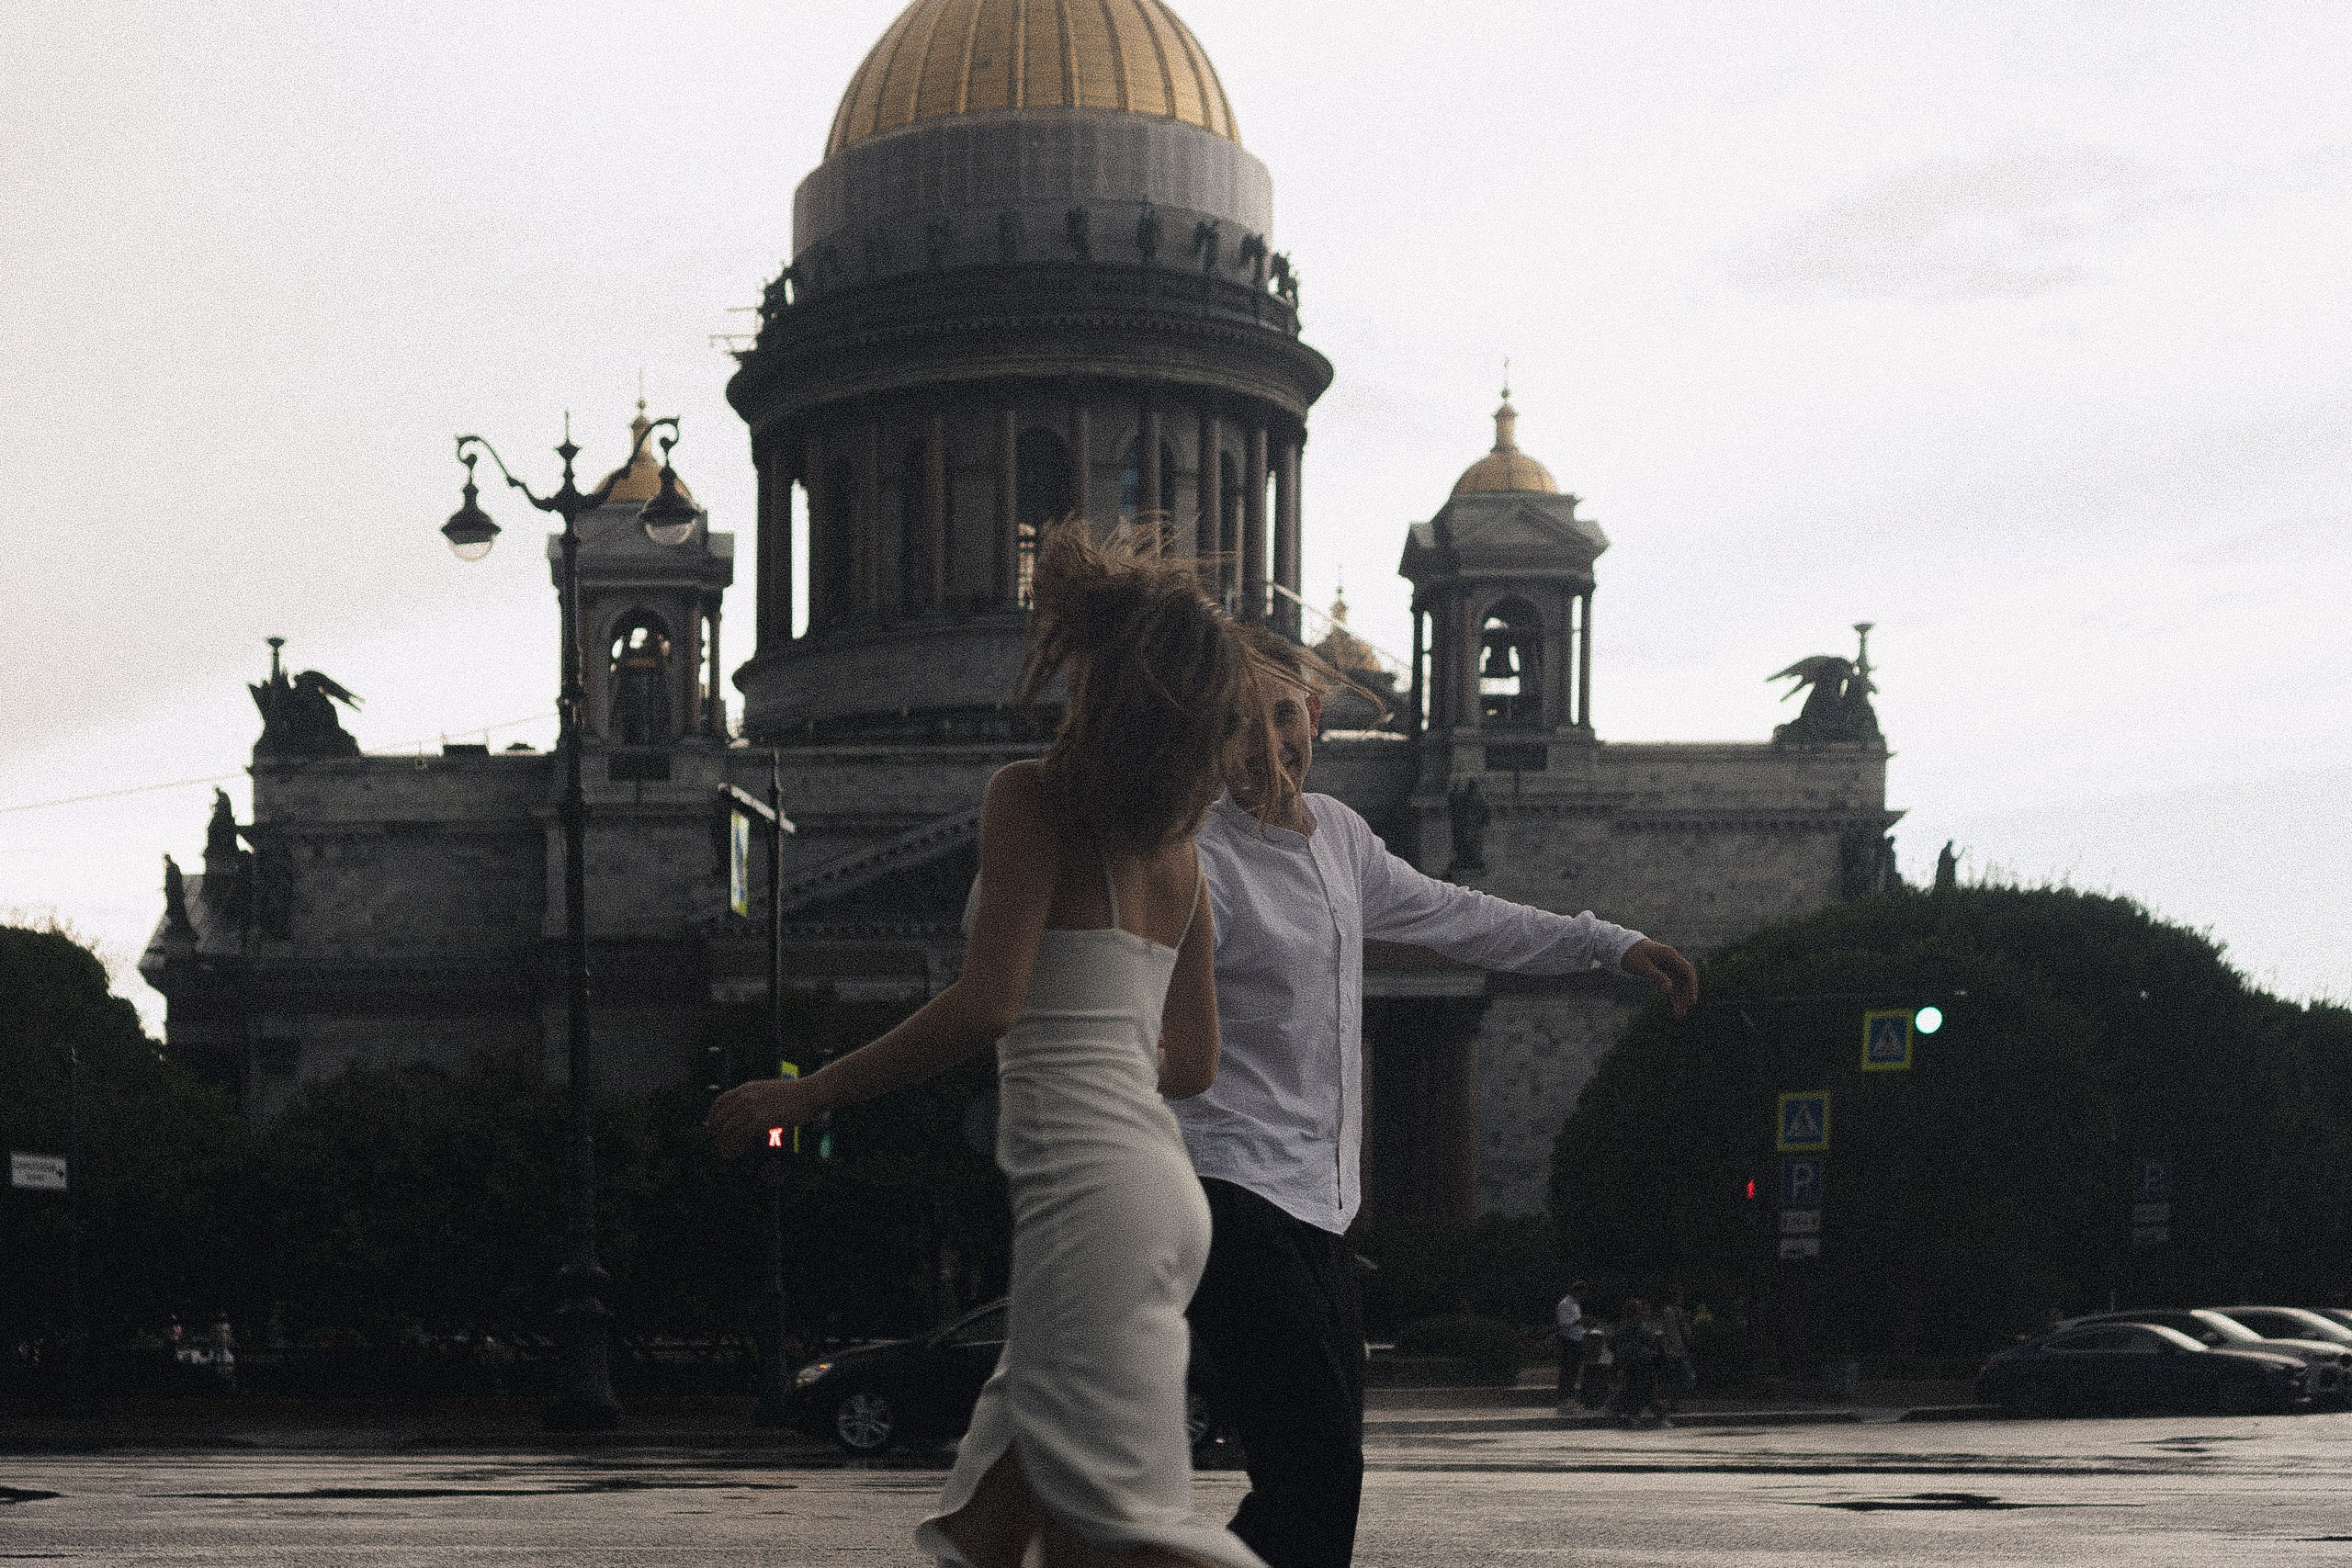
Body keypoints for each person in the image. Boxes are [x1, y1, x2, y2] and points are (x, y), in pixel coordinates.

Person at [707, 522, 1282, 1568]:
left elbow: (987, 1005)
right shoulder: (1182, 859)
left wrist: (808, 1092)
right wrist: (1102, 1050)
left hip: (1089, 1194)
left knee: (1117, 1533)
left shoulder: (1031, 798)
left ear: (1099, 685)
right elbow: (1194, 1064)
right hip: (1157, 1195)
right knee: (988, 1529)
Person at [1178, 636, 1699, 1568]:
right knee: (1313, 1468)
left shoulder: (1340, 835)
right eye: (1234, 724)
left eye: (1282, 715)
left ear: (1316, 717)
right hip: (1225, 1191)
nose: (1265, 743)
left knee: (1325, 1479)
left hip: (1321, 1204)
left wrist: (1610, 943)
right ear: (1204, 741)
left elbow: (1463, 917)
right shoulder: (1193, 857)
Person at [1554, 1280, 1589, 1413]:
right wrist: (1580, 1321)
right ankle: (1563, 1399)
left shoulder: (1575, 1304)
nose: (1583, 1296)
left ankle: (1569, 1397)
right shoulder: (1565, 1304)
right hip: (1569, 1340)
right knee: (1567, 1370)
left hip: (1577, 1340)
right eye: (1582, 1293)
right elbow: (1564, 1323)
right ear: (1576, 1291)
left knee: (1574, 1370)